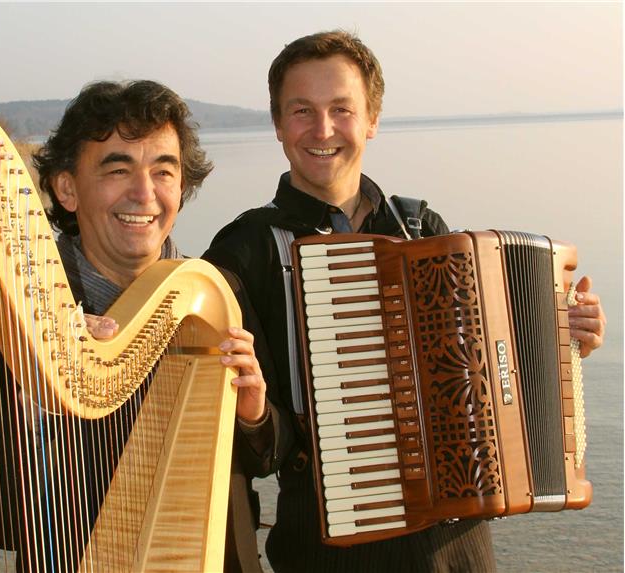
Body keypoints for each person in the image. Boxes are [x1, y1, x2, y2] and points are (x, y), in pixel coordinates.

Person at [203, 30, 606, 572]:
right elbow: (259, 452)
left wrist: (565, 338)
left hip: (456, 547)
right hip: (329, 551)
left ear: (372, 120)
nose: (323, 129)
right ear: (278, 124)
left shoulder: (422, 229)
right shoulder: (245, 250)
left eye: (342, 109)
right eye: (302, 111)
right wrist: (252, 413)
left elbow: (488, 374)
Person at [0, 80, 283, 572]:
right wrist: (36, 412)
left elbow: (270, 456)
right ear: (67, 189)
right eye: (118, 169)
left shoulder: (221, 295)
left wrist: (254, 413)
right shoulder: (1, 337)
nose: (144, 193)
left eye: (163, 171)